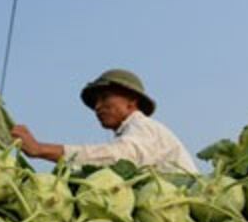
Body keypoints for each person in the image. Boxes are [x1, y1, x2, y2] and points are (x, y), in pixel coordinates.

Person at [11, 69, 198, 173]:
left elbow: (118, 157)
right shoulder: (130, 131)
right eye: (95, 103)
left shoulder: (143, 126)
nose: (98, 107)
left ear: (132, 101)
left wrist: (40, 149)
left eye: (105, 98)